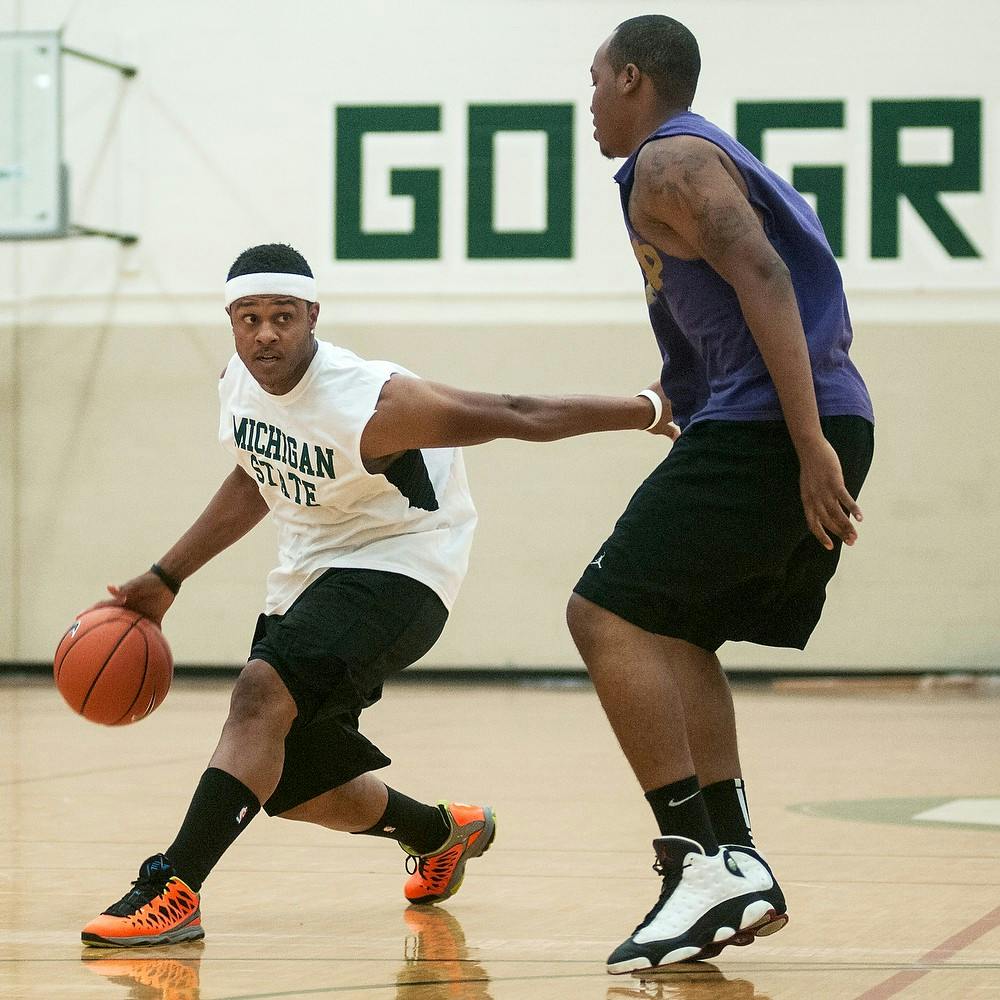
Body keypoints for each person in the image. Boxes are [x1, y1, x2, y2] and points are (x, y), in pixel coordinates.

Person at [80, 242, 676, 948]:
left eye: (282, 317)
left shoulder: (374, 403)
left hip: (404, 570)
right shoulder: (237, 382)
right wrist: (169, 576)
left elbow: (518, 411)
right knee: (295, 786)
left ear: (312, 317)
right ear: (231, 322)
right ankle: (440, 831)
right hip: (311, 573)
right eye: (249, 318)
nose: (265, 334)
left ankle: (172, 888)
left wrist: (648, 407)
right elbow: (255, 475)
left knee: (257, 697)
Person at [567, 15, 875, 974]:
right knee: (674, 630)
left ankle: (694, 858)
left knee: (601, 615)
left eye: (592, 81)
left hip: (772, 428)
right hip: (768, 418)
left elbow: (763, 273)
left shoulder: (671, 159)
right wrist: (687, 397)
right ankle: (732, 856)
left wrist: (805, 442)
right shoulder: (709, 157)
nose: (587, 103)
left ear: (629, 79)